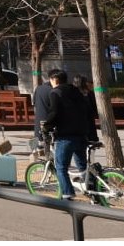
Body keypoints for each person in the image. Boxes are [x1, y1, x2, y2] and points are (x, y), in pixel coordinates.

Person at [40, 69, 87, 200]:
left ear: (54, 79)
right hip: (82, 133)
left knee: (61, 167)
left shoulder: (55, 93)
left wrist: (46, 126)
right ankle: (92, 189)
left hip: (66, 135)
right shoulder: (76, 91)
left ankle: (67, 193)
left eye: (50, 80)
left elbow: (54, 113)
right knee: (83, 166)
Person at [72, 75, 99, 143]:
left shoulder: (72, 93)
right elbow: (94, 106)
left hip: (77, 120)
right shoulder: (89, 93)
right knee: (90, 137)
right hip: (89, 118)